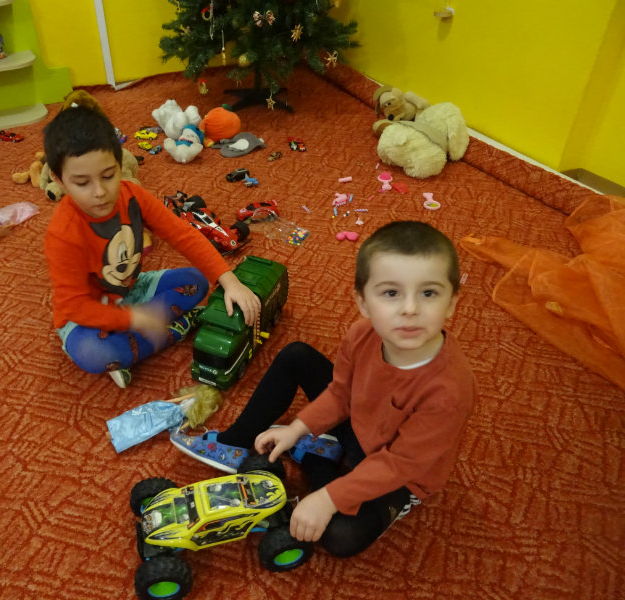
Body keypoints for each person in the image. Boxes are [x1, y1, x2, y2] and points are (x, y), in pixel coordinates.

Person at [171, 220, 477, 557]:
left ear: (452, 302)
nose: (410, 309)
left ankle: (318, 462)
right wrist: (297, 428)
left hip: (401, 473)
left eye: (429, 293)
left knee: (341, 537)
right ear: (363, 302)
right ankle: (240, 440)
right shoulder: (361, 334)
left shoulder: (448, 392)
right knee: (296, 356)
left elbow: (400, 465)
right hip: (361, 426)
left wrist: (327, 499)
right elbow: (340, 393)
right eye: (391, 293)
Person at [42, 106, 261, 388]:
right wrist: (133, 319)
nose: (99, 192)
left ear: (120, 163)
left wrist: (230, 281)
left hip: (132, 289)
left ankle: (135, 345)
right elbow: (74, 306)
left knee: (197, 282)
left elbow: (182, 234)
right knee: (93, 353)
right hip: (88, 314)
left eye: (108, 175)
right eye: (82, 183)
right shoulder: (63, 234)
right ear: (58, 180)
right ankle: (174, 331)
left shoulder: (133, 196)